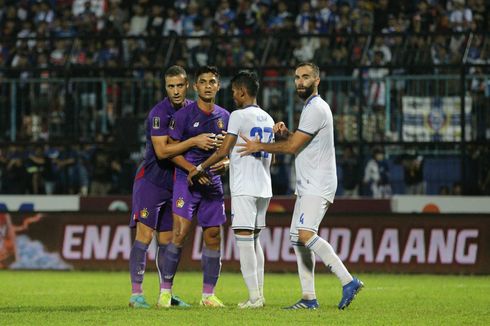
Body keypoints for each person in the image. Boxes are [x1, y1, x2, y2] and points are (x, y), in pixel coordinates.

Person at [237, 62, 363, 310]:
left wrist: (259, 146)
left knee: (306, 234)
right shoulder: (309, 108)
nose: (300, 82)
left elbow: (293, 148)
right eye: (297, 77)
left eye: (306, 77)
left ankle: (348, 280)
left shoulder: (316, 108)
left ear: (317, 80)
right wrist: (285, 134)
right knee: (297, 239)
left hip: (318, 182)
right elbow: (299, 142)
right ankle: (308, 298)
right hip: (308, 183)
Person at [128, 65, 217, 309]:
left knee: (167, 241)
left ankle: (165, 294)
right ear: (165, 87)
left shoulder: (192, 109)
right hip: (152, 181)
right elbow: (162, 151)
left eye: (179, 85)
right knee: (144, 236)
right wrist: (194, 141)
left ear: (187, 85)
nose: (175, 91)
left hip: (176, 183)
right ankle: (136, 294)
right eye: (170, 86)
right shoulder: (159, 113)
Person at [187, 70, 274, 308]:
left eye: (235, 91)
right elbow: (271, 156)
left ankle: (254, 298)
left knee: (244, 241)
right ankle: (260, 294)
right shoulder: (267, 118)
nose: (233, 95)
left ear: (242, 92)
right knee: (256, 241)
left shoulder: (237, 115)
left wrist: (200, 167)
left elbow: (223, 150)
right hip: (264, 186)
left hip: (245, 187)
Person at [158, 65, 230, 308]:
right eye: (203, 81)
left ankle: (208, 295)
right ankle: (165, 292)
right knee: (179, 235)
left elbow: (228, 152)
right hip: (186, 181)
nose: (208, 85)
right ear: (196, 86)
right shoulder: (182, 117)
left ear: (218, 86)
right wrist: (192, 170)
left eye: (212, 81)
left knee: (213, 235)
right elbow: (169, 152)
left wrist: (227, 163)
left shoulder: (226, 116)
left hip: (212, 184)